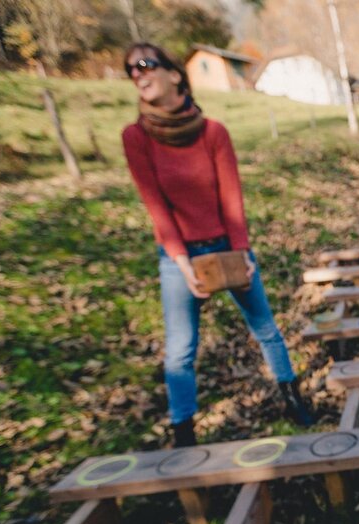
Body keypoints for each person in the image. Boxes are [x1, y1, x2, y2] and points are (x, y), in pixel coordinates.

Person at [120, 42, 313, 447]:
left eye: (145, 65)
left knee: (266, 329)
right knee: (180, 351)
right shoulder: (136, 138)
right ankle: (184, 432)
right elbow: (156, 206)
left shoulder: (213, 133)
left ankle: (292, 398)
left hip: (227, 246)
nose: (137, 74)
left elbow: (231, 198)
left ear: (174, 74)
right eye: (130, 70)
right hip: (178, 257)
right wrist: (182, 261)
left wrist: (242, 252)